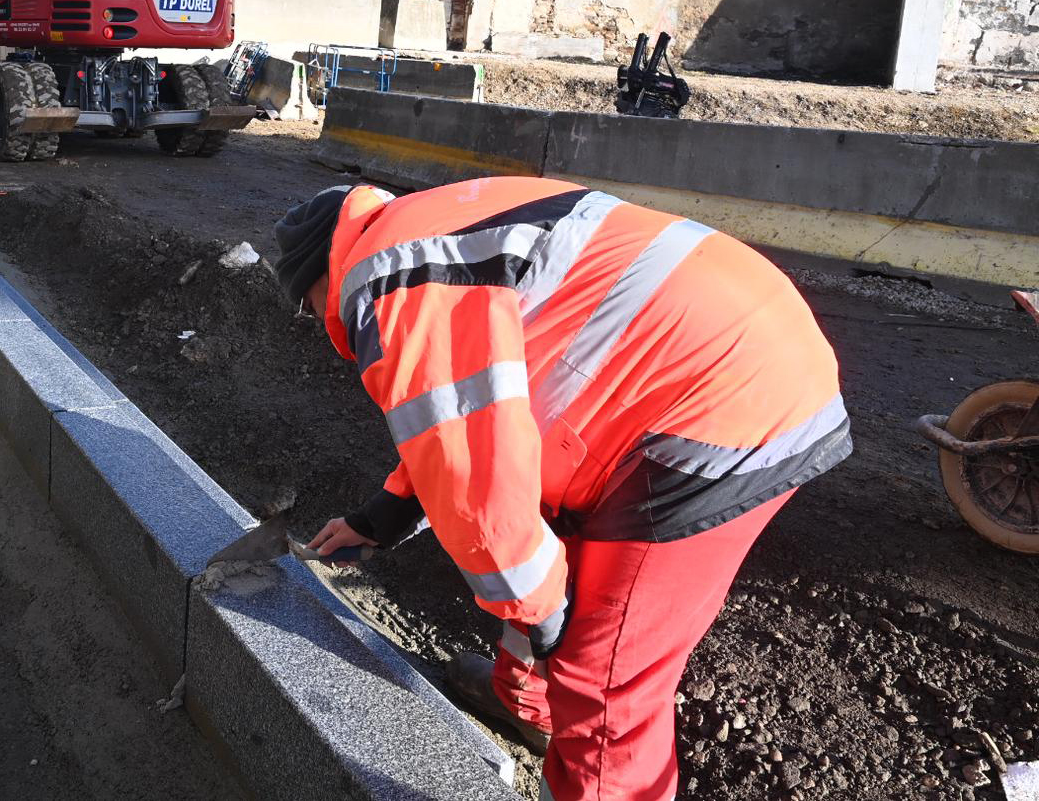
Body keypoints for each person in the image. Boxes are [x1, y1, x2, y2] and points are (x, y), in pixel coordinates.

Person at [274, 177, 851, 801]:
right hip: (726, 343)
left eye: (306, 308)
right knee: (545, 540)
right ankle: (528, 705)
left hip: (719, 400)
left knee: (600, 677)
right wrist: (383, 516)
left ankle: (595, 767)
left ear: (315, 279)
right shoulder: (420, 228)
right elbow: (469, 417)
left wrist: (547, 621)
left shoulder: (383, 282)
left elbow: (479, 492)